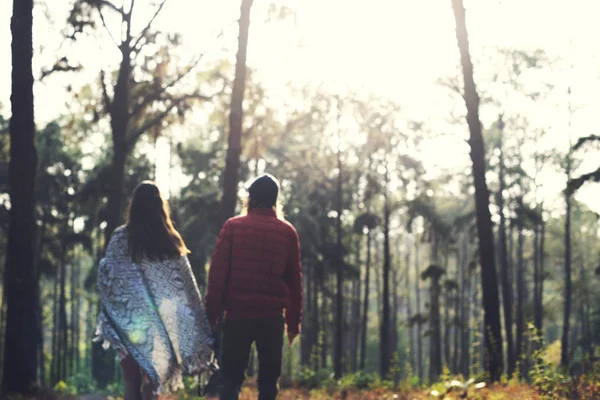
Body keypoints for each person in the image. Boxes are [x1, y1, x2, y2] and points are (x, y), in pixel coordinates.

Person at [95, 181, 214, 400]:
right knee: (152, 384)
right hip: (160, 327)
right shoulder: (170, 240)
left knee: (131, 381)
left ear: (134, 205)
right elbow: (185, 289)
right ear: (160, 206)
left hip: (129, 323)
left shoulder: (121, 237)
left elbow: (108, 276)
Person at [206, 174, 302, 400]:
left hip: (237, 316)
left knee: (230, 380)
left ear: (251, 199)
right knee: (268, 382)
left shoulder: (232, 227)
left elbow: (217, 275)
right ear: (274, 200)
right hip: (271, 319)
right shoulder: (287, 232)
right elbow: (294, 281)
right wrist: (293, 322)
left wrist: (211, 316)